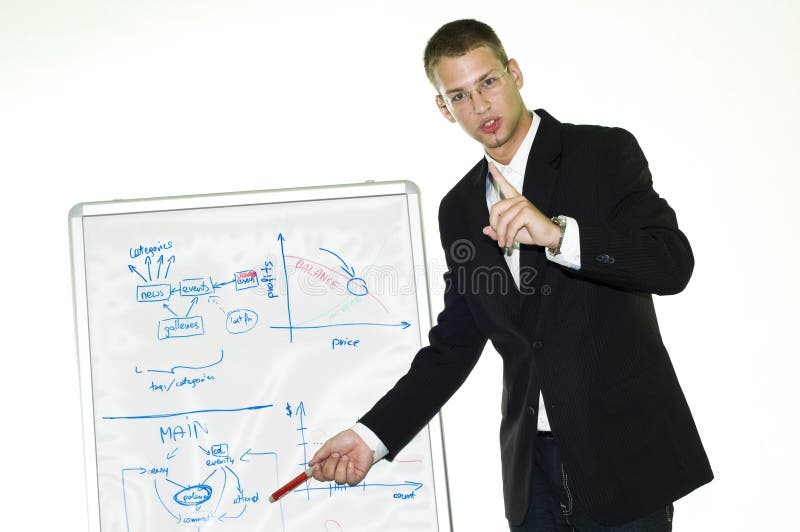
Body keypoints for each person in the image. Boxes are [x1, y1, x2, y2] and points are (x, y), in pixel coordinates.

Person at [309, 19, 712, 531]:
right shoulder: (458, 207)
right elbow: (455, 345)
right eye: (458, 96)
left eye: (488, 83)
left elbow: (671, 263)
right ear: (443, 108)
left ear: (514, 73)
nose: (479, 107)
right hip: (531, 476)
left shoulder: (603, 153)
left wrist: (561, 236)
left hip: (625, 461)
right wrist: (370, 438)